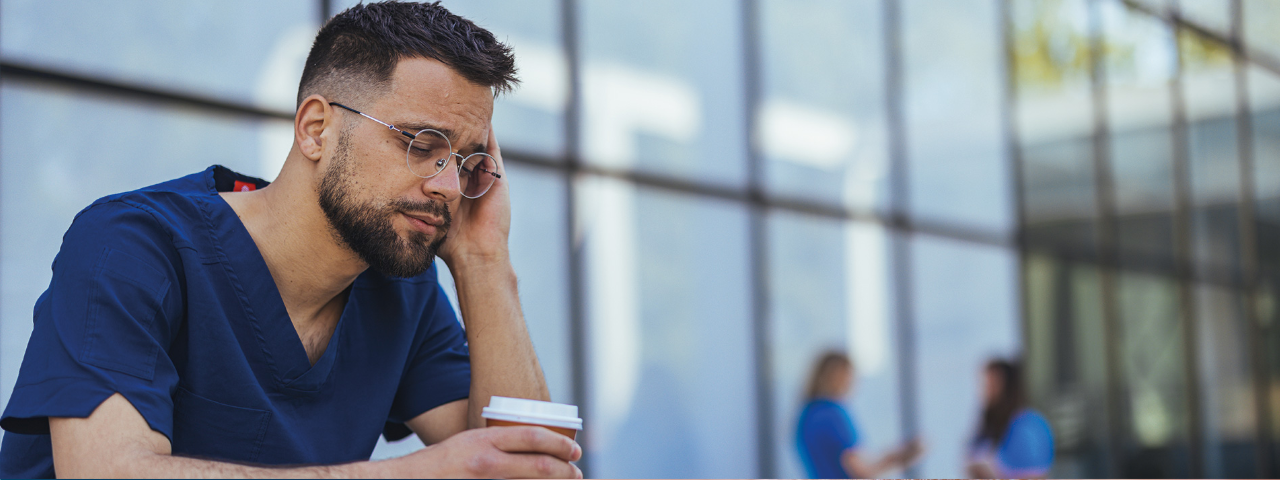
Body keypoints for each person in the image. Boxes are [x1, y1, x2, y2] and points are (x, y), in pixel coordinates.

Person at [0, 2, 582, 478]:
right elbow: (106, 473)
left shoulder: (401, 291)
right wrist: (415, 474)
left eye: (466, 160)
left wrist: (484, 258)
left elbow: (525, 467)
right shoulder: (131, 247)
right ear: (316, 129)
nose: (449, 186)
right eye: (421, 142)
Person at [795, 351, 922, 479]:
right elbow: (860, 471)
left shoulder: (806, 415)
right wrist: (897, 458)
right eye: (850, 375)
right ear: (838, 376)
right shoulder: (833, 415)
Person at [965, 359, 1054, 479]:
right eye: (985, 385)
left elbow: (1035, 475)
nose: (987, 392)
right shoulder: (989, 424)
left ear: (1009, 387)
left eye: (993, 385)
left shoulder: (1028, 426)